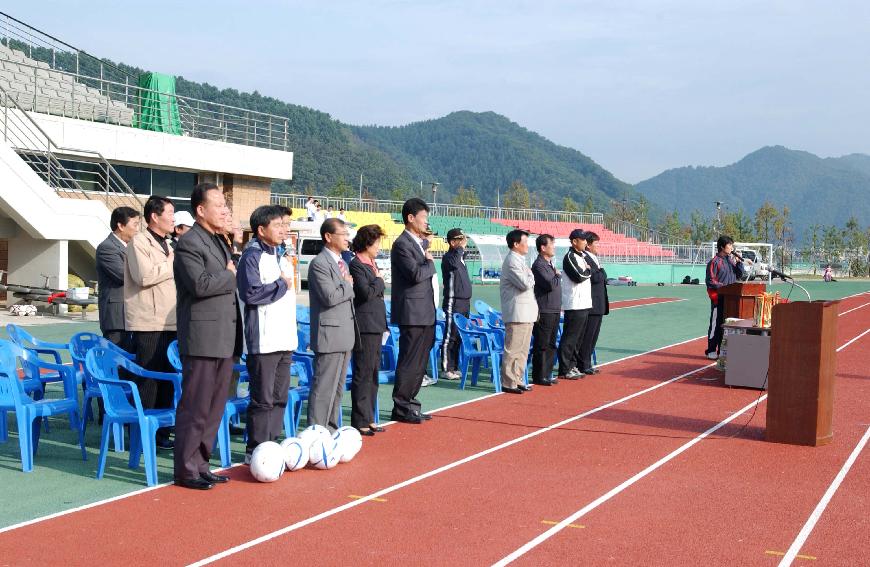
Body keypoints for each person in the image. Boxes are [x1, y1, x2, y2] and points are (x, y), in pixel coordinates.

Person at [173, 183, 242, 490]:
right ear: (201, 210)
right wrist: (228, 275)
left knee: (214, 407)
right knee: (196, 406)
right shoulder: (189, 243)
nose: (225, 210)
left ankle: (202, 463)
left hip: (224, 336)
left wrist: (230, 265)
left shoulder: (217, 240)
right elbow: (199, 285)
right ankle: (186, 469)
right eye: (219, 205)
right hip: (202, 336)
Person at [237, 205, 297, 461]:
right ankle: (256, 449)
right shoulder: (252, 256)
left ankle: (271, 445)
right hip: (263, 339)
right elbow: (250, 293)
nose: (284, 229)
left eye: (285, 224)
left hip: (283, 337)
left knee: (279, 396)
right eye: (278, 225)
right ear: (261, 230)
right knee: (262, 399)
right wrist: (281, 284)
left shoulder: (281, 254)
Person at [124, 196, 177, 450]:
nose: (174, 218)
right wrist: (169, 263)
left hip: (170, 319)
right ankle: (141, 433)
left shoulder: (168, 243)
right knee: (147, 378)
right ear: (155, 216)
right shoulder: (138, 242)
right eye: (170, 213)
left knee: (167, 378)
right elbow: (143, 276)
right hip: (148, 321)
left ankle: (163, 432)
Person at [307, 218, 357, 431]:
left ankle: (331, 428)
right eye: (343, 234)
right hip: (330, 334)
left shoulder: (342, 262)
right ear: (328, 237)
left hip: (344, 334)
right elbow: (329, 297)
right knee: (324, 387)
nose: (347, 238)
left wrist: (346, 287)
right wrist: (347, 285)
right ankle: (317, 431)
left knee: (337, 388)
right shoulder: (319, 263)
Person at [390, 198, 436, 423]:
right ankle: (401, 406)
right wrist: (429, 262)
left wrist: (425, 250)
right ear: (410, 218)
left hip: (425, 311)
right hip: (412, 312)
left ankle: (411, 403)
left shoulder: (417, 243)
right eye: (424, 217)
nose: (426, 222)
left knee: (420, 363)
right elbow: (416, 274)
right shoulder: (401, 244)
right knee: (410, 361)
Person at [349, 224, 388, 436]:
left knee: (373, 373)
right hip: (365, 325)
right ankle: (360, 419)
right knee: (363, 373)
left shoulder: (371, 264)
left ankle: (369, 416)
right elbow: (365, 293)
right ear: (367, 243)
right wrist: (380, 282)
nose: (379, 246)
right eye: (377, 242)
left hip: (376, 324)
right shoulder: (357, 264)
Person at [499, 229, 537, 394]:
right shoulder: (512, 261)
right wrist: (531, 276)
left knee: (523, 349)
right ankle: (508, 381)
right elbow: (524, 283)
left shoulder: (520, 260)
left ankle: (518, 378)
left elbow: (528, 279)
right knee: (513, 348)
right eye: (525, 242)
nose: (527, 245)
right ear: (516, 244)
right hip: (517, 311)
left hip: (526, 311)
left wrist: (530, 276)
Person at [96, 206, 140, 347]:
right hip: (117, 317)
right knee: (116, 360)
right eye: (135, 224)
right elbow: (124, 276)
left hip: (130, 315)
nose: (138, 229)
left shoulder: (130, 246)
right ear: (120, 226)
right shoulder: (107, 247)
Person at [705, 235, 748, 359]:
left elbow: (739, 275)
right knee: (716, 324)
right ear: (722, 247)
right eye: (729, 245)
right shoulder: (714, 262)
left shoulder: (730, 260)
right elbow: (711, 281)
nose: (731, 247)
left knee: (728, 325)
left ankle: (723, 350)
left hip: (732, 299)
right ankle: (711, 350)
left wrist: (739, 263)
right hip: (718, 299)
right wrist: (725, 288)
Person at [558, 229, 592, 380]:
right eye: (582, 239)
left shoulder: (582, 256)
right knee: (570, 338)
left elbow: (592, 270)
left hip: (584, 302)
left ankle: (573, 365)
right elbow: (579, 276)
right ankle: (565, 368)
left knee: (578, 338)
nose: (585, 242)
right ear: (574, 242)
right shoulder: (570, 257)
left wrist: (588, 270)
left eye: (585, 240)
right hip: (574, 303)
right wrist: (588, 271)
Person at [440, 228, 472, 380]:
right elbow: (452, 262)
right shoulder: (449, 257)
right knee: (450, 336)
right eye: (460, 241)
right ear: (452, 242)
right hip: (454, 301)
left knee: (459, 336)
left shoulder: (460, 257)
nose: (463, 244)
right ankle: (446, 368)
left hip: (464, 301)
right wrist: (459, 249)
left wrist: (461, 250)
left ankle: (454, 367)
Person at [531, 233, 560, 386]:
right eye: (551, 244)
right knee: (542, 344)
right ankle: (539, 375)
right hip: (545, 310)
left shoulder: (549, 264)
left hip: (554, 309)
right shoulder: (539, 265)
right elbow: (550, 284)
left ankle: (547, 373)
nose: (553, 247)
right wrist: (557, 276)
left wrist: (556, 274)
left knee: (551, 344)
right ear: (543, 247)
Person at [578, 231, 609, 375]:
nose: (598, 246)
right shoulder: (586, 258)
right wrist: (601, 272)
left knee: (594, 335)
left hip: (599, 302)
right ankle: (583, 364)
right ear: (588, 246)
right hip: (592, 303)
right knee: (588, 335)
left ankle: (587, 362)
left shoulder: (595, 259)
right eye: (596, 244)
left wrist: (601, 272)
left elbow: (602, 276)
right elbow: (596, 278)